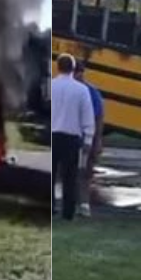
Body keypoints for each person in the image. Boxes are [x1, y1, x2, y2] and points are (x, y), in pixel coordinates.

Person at [51, 53, 95, 220]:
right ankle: (68, 212)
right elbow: (87, 117)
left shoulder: (51, 86)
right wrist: (88, 139)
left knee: (52, 173)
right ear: (74, 69)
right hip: (71, 138)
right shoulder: (82, 90)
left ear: (58, 67)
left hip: (53, 135)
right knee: (69, 177)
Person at [73, 61, 104, 217]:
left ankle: (84, 205)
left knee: (84, 172)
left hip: (86, 138)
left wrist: (97, 142)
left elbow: (98, 118)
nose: (76, 76)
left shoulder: (91, 93)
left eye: (78, 72)